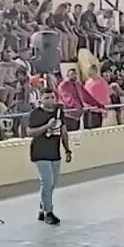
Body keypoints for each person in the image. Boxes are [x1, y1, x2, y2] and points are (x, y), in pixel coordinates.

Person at [25, 87, 72, 225]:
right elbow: (30, 132)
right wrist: (47, 126)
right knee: (47, 182)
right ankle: (48, 212)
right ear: (41, 100)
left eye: (52, 97)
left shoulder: (59, 112)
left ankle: (43, 207)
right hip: (40, 152)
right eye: (46, 98)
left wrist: (67, 149)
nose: (50, 100)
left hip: (54, 151)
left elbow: (63, 132)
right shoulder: (35, 114)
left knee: (52, 184)